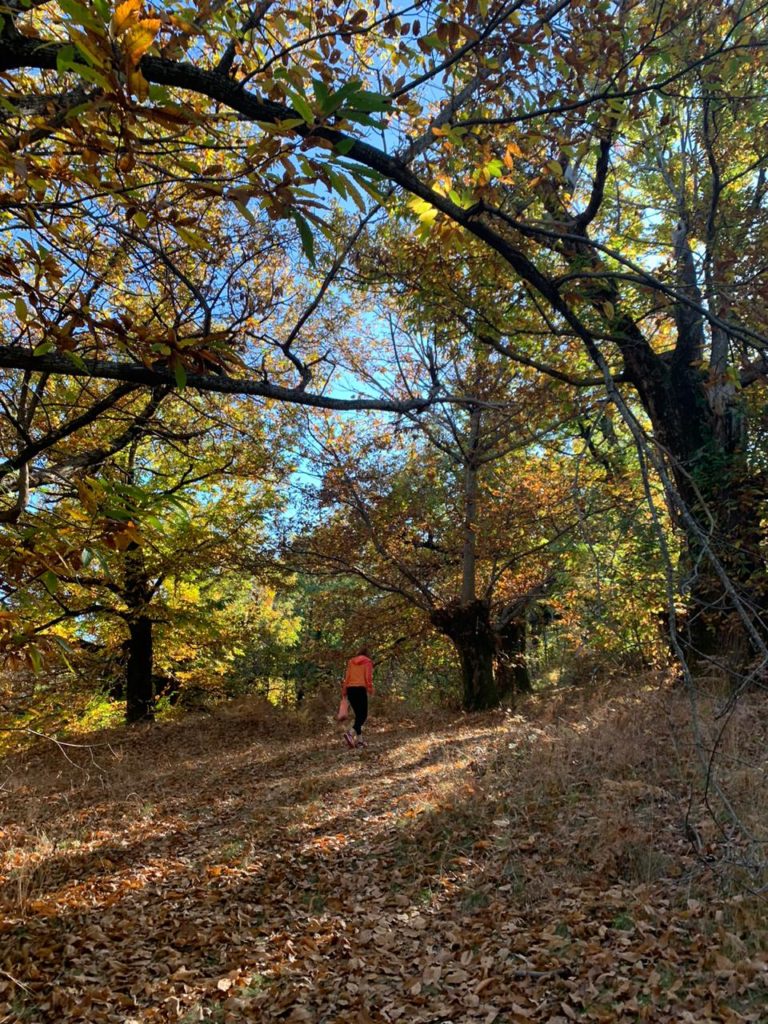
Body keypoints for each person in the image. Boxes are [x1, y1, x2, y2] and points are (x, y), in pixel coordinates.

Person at [342, 645, 373, 749]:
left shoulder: (351, 662)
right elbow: (368, 676)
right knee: (363, 715)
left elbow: (347, 677)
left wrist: (344, 690)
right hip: (360, 689)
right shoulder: (367, 661)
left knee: (358, 716)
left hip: (350, 689)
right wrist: (369, 688)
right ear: (367, 654)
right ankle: (350, 733)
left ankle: (360, 742)